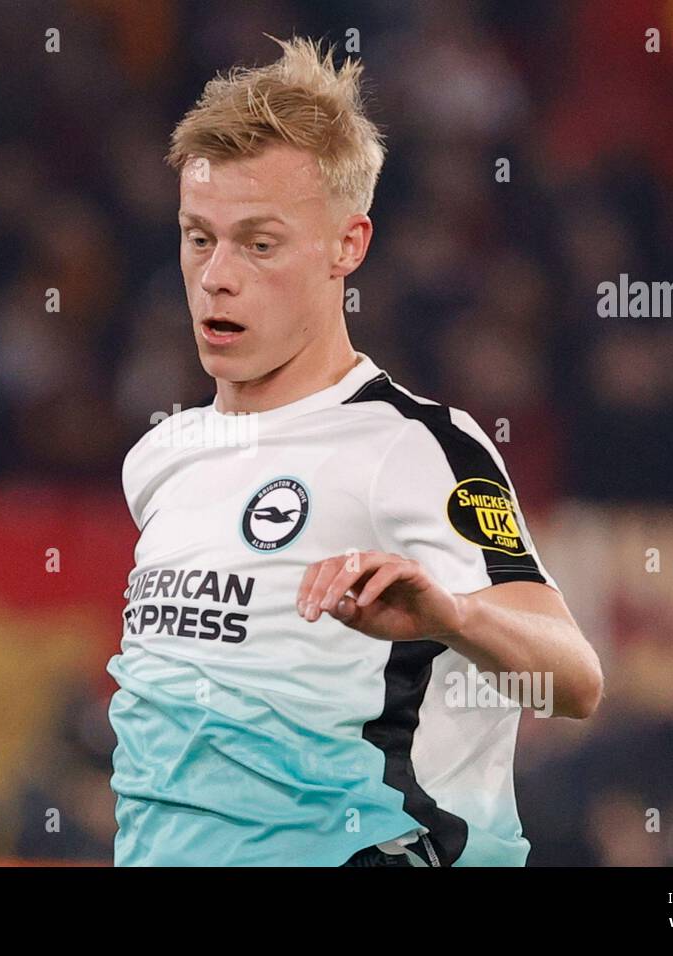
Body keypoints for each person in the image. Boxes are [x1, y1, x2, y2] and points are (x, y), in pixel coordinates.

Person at [106, 35, 603, 867]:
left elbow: (574, 682)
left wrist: (454, 617)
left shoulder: (414, 445)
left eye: (259, 244)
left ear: (348, 245)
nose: (217, 276)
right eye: (199, 238)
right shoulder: (160, 458)